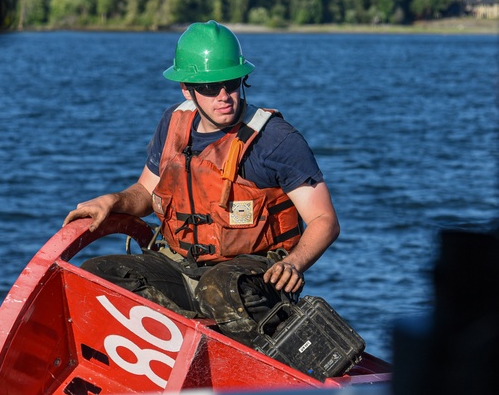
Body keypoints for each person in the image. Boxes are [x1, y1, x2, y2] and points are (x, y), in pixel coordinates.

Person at [63, 20, 340, 347]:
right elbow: (145, 193)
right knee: (100, 272)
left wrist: (294, 263)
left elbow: (325, 221)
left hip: (250, 279)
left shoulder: (278, 140)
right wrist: (113, 200)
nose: (223, 96)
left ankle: (232, 358)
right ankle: (183, 346)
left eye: (231, 83)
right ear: (187, 88)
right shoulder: (172, 124)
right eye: (209, 87)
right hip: (180, 266)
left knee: (218, 288)